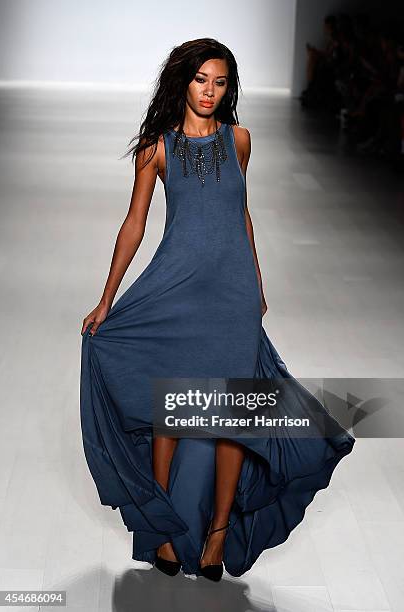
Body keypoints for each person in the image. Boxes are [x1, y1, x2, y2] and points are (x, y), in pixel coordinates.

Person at [80, 37, 355, 582]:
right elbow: (134, 223)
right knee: (171, 414)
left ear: (229, 88)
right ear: (182, 81)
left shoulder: (241, 141)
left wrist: (256, 281)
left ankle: (217, 535)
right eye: (201, 79)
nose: (210, 90)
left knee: (233, 418)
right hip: (174, 290)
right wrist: (107, 297)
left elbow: (242, 215)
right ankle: (160, 529)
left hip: (230, 295)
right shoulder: (156, 149)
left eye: (220, 81)